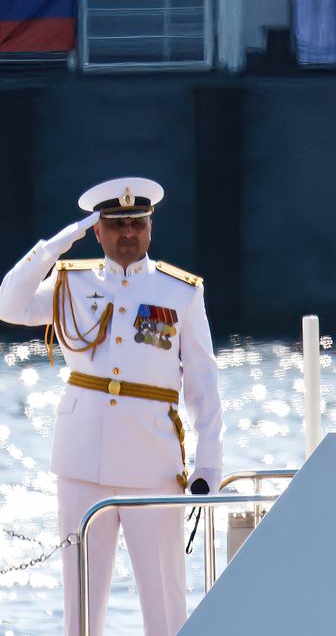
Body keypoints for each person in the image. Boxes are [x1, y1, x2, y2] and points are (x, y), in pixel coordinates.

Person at [0, 177, 222, 636]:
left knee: (164, 604)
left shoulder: (180, 292)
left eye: (137, 223)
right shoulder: (69, 282)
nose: (128, 233)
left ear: (150, 228)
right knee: (81, 607)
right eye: (116, 224)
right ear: (97, 231)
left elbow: (203, 384)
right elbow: (8, 303)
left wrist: (208, 465)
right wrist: (55, 246)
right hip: (83, 463)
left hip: (153, 466)